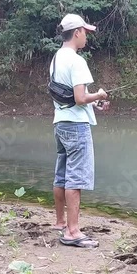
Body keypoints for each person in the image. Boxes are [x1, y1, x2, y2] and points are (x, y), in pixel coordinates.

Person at [50, 13, 110, 248]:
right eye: (85, 32)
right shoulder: (77, 61)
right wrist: (100, 95)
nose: (86, 36)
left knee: (62, 175)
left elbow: (65, 95)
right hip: (76, 127)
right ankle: (72, 232)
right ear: (76, 33)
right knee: (75, 179)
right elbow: (79, 97)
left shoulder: (56, 58)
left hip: (61, 123)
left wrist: (93, 103)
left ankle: (60, 222)